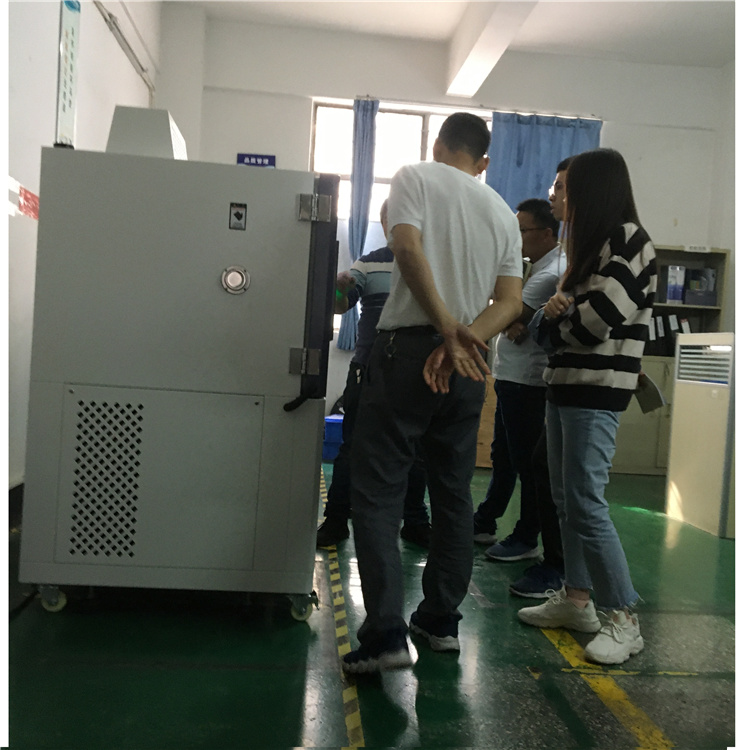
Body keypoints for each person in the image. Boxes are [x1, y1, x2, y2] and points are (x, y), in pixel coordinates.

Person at [341, 113, 523, 674]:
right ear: (483, 161)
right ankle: (440, 620)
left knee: (379, 492)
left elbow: (406, 248)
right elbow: (510, 301)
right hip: (469, 360)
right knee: (453, 493)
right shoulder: (503, 212)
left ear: (438, 144)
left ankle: (386, 635)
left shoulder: (414, 176)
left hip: (408, 352)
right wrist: (465, 338)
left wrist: (445, 328)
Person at [517, 148, 657, 666]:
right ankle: (577, 600)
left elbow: (595, 322)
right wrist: (555, 317)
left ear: (593, 189)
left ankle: (624, 618)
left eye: (565, 187)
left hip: (596, 390)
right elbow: (540, 328)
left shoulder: (630, 241)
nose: (557, 195)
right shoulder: (586, 248)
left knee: (586, 502)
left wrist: (556, 319)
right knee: (565, 499)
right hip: (565, 385)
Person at [317, 200, 432, 550]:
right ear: (384, 224)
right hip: (368, 369)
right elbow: (340, 305)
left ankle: (415, 521)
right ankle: (336, 519)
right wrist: (339, 287)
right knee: (353, 448)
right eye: (390, 220)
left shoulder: (434, 262)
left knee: (417, 450)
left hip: (419, 370)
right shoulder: (368, 262)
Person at [472, 200, 566, 583]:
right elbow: (512, 317)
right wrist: (513, 315)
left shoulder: (551, 273)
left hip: (528, 382)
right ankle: (486, 519)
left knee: (528, 464)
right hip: (511, 377)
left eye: (522, 230)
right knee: (505, 456)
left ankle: (527, 536)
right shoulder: (535, 267)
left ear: (547, 233)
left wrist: (512, 314)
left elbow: (510, 315)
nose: (516, 237)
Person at [506, 156, 573, 598]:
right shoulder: (547, 265)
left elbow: (517, 320)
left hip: (551, 382)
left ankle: (563, 571)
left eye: (561, 188)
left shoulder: (558, 267)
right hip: (548, 379)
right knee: (530, 465)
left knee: (567, 487)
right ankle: (546, 556)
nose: (555, 195)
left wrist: (529, 317)